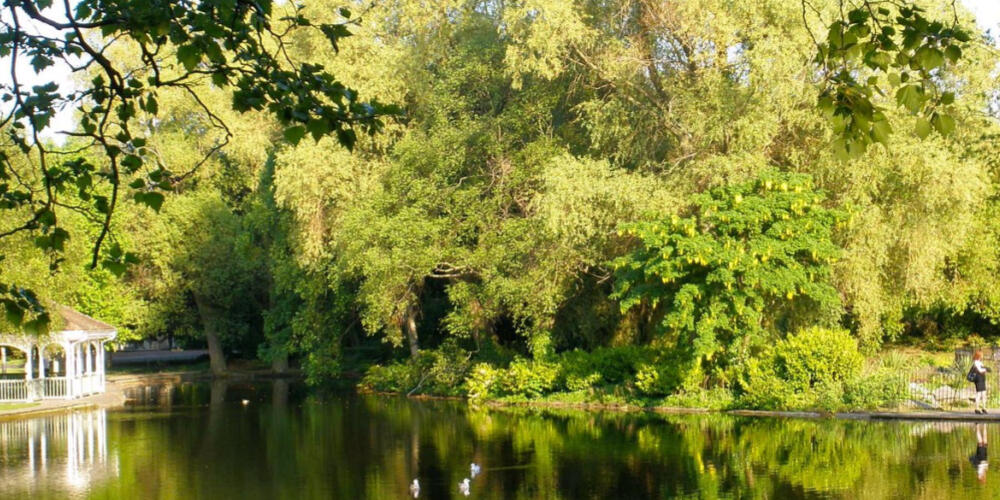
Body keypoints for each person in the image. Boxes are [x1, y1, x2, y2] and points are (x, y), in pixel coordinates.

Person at [972, 350, 990, 414]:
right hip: (978, 379)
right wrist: (986, 369)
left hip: (982, 378)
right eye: (981, 355)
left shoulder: (979, 362)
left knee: (984, 394)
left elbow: (982, 369)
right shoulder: (976, 362)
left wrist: (985, 369)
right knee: (979, 394)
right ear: (978, 356)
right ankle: (977, 408)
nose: (982, 356)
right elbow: (980, 370)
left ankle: (984, 408)